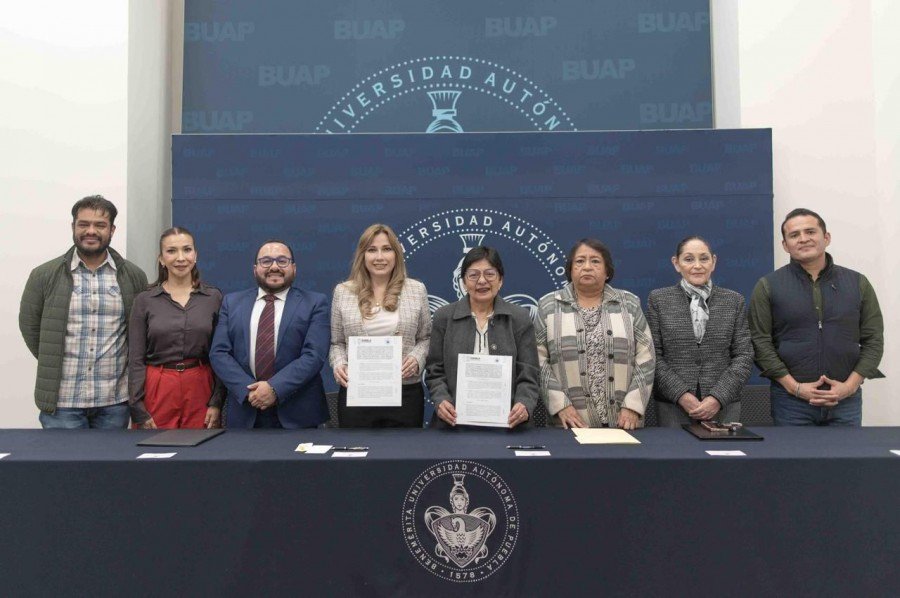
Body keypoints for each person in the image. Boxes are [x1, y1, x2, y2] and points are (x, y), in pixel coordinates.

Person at [19, 195, 148, 428]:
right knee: (64, 465)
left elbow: (140, 333)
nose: (91, 231)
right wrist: (53, 356)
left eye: (100, 225)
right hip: (63, 402)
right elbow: (30, 327)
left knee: (110, 465)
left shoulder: (133, 277)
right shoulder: (44, 275)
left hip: (115, 402)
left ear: (112, 230)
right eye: (84, 224)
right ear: (73, 227)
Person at [749, 208, 884, 426]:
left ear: (826, 237)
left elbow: (874, 340)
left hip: (846, 402)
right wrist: (795, 388)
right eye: (794, 235)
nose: (803, 239)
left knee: (846, 460)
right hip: (791, 403)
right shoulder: (768, 286)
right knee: (795, 461)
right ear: (785, 245)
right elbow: (759, 342)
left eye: (810, 231)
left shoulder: (858, 283)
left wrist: (848, 387)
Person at [209, 240, 331, 429]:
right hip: (246, 410)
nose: (274, 266)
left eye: (282, 261)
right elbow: (219, 353)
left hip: (299, 415)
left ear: (294, 268)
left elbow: (314, 355)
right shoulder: (231, 303)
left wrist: (275, 388)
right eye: (266, 261)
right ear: (255, 268)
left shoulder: (315, 303)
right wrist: (250, 392)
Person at [535, 239, 654, 430]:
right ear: (570, 270)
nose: (587, 267)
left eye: (595, 261)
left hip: (624, 423)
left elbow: (646, 357)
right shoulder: (548, 305)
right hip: (569, 423)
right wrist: (561, 406)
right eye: (580, 261)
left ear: (607, 271)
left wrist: (633, 406)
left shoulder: (629, 303)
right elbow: (538, 360)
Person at [425, 246, 539, 428]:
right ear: (463, 282)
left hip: (509, 423)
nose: (482, 281)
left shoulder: (519, 317)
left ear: (500, 280)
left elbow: (529, 372)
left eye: (490, 274)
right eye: (473, 275)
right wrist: (441, 400)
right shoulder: (443, 317)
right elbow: (434, 371)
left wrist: (524, 403)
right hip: (453, 423)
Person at [329, 224, 431, 427]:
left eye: (387, 249)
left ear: (397, 254)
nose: (379, 257)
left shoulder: (416, 290)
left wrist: (417, 358)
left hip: (405, 394)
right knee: (356, 457)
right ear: (362, 255)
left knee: (403, 456)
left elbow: (426, 338)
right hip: (357, 394)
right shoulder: (343, 291)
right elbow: (336, 343)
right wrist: (339, 364)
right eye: (372, 250)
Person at [646, 236, 753, 426]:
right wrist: (682, 395)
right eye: (688, 259)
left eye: (704, 259)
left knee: (723, 456)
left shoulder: (734, 301)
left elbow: (744, 355)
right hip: (673, 405)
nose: (697, 265)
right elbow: (653, 355)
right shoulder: (659, 300)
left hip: (723, 406)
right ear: (676, 263)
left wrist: (717, 398)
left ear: (714, 262)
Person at [128, 227, 224, 429]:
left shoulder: (214, 298)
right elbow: (135, 359)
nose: (180, 258)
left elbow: (221, 355)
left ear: (195, 255)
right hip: (158, 386)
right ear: (161, 259)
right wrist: (137, 407)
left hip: (201, 385)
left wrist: (216, 402)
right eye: (171, 251)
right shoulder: (144, 300)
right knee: (155, 452)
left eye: (187, 250)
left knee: (201, 452)